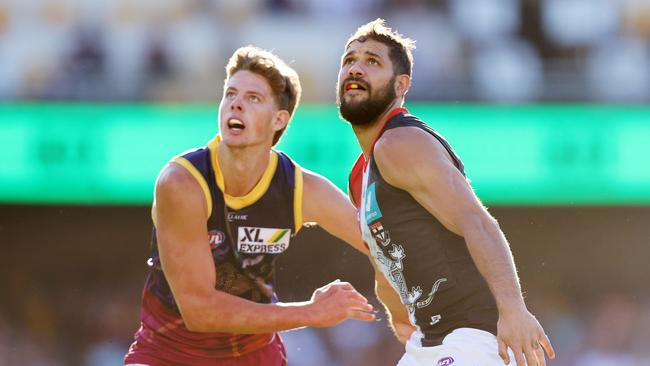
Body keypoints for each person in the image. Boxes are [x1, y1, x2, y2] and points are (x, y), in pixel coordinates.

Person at [124, 46, 375, 366]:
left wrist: (422, 307)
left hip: (253, 355)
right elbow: (199, 311)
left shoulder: (300, 188)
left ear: (279, 119)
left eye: (253, 98)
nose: (236, 103)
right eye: (230, 93)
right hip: (169, 353)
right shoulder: (182, 182)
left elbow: (384, 246)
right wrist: (311, 312)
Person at [339, 19, 556, 366]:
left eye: (372, 61)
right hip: (430, 339)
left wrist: (514, 310)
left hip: (475, 333)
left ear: (401, 85)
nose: (356, 68)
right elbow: (384, 261)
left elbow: (478, 221)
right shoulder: (360, 175)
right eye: (349, 60)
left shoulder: (401, 141)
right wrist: (398, 315)